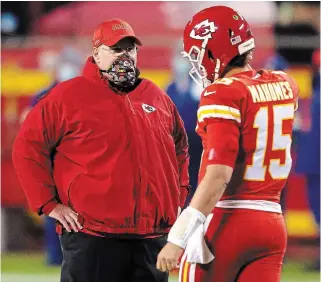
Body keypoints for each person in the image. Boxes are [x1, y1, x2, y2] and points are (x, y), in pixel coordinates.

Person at [12, 18, 190, 282]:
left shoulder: (156, 95)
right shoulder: (67, 97)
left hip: (151, 237)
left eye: (130, 49)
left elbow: (180, 149)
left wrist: (177, 199)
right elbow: (26, 148)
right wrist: (49, 204)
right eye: (116, 49)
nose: (125, 55)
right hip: (92, 236)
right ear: (96, 53)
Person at [156, 6, 299, 282]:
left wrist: (178, 236)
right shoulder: (285, 84)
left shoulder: (222, 93)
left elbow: (219, 175)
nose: (197, 65)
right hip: (272, 224)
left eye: (198, 55)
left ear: (212, 53)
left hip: (229, 220)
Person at [20, 46, 83, 266]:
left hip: (81, 163)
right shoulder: (43, 95)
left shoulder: (87, 95)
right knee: (53, 209)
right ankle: (55, 257)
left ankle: (77, 256)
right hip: (52, 161)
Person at [166, 51, 203, 201]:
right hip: (177, 145)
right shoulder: (170, 87)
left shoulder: (198, 85)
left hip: (196, 145)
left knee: (195, 180)